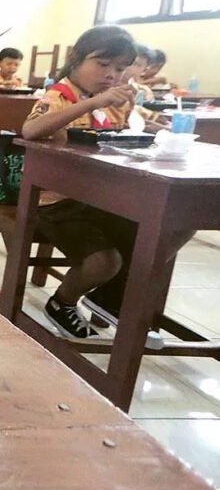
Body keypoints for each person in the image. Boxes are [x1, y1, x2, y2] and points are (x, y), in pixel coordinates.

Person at [22, 26, 192, 338]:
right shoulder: (60, 96)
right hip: (57, 202)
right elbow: (31, 130)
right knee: (106, 260)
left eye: (120, 68)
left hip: (106, 198)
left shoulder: (117, 101)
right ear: (75, 59)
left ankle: (107, 300)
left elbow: (132, 127)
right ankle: (63, 302)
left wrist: (157, 128)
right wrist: (92, 103)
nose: (111, 74)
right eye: (102, 64)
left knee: (171, 228)